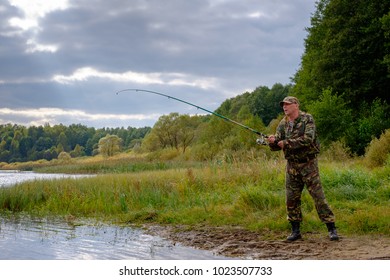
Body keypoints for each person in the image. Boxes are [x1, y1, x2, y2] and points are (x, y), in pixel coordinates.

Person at [267, 96, 339, 241]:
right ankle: (295, 231)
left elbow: (308, 139)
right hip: (291, 166)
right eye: (283, 105)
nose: (284, 107)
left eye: (287, 104)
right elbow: (277, 145)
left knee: (318, 197)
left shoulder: (307, 119)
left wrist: (286, 143)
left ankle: (331, 229)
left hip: (309, 164)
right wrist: (272, 142)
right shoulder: (283, 123)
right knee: (291, 199)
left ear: (296, 105)